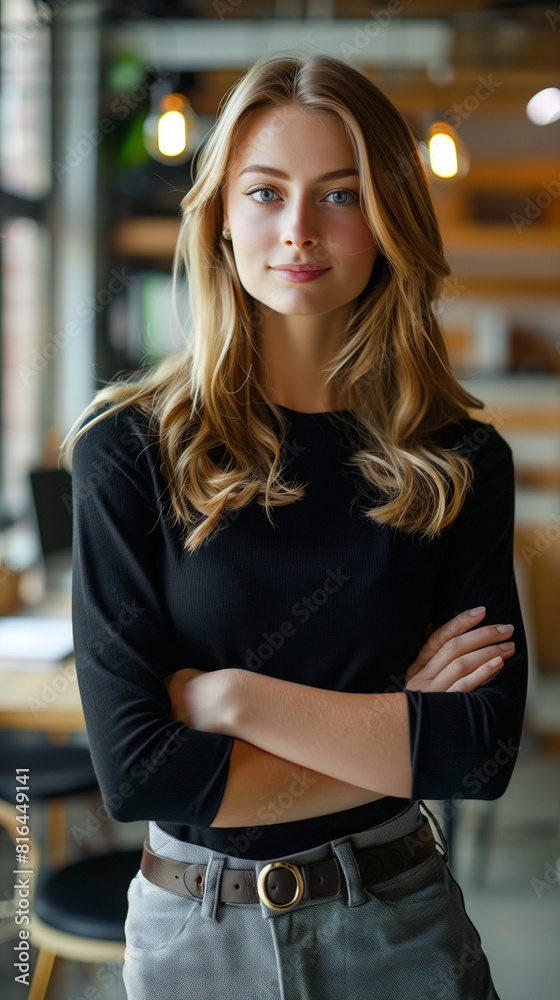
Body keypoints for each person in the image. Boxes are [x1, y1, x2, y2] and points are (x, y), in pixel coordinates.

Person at [63, 51, 527, 1000]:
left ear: (390, 219)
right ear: (222, 219)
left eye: (341, 195)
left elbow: (479, 752)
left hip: (399, 926)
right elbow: (139, 773)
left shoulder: (460, 462)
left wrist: (233, 700)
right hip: (195, 935)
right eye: (266, 193)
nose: (300, 231)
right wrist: (397, 725)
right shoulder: (128, 450)